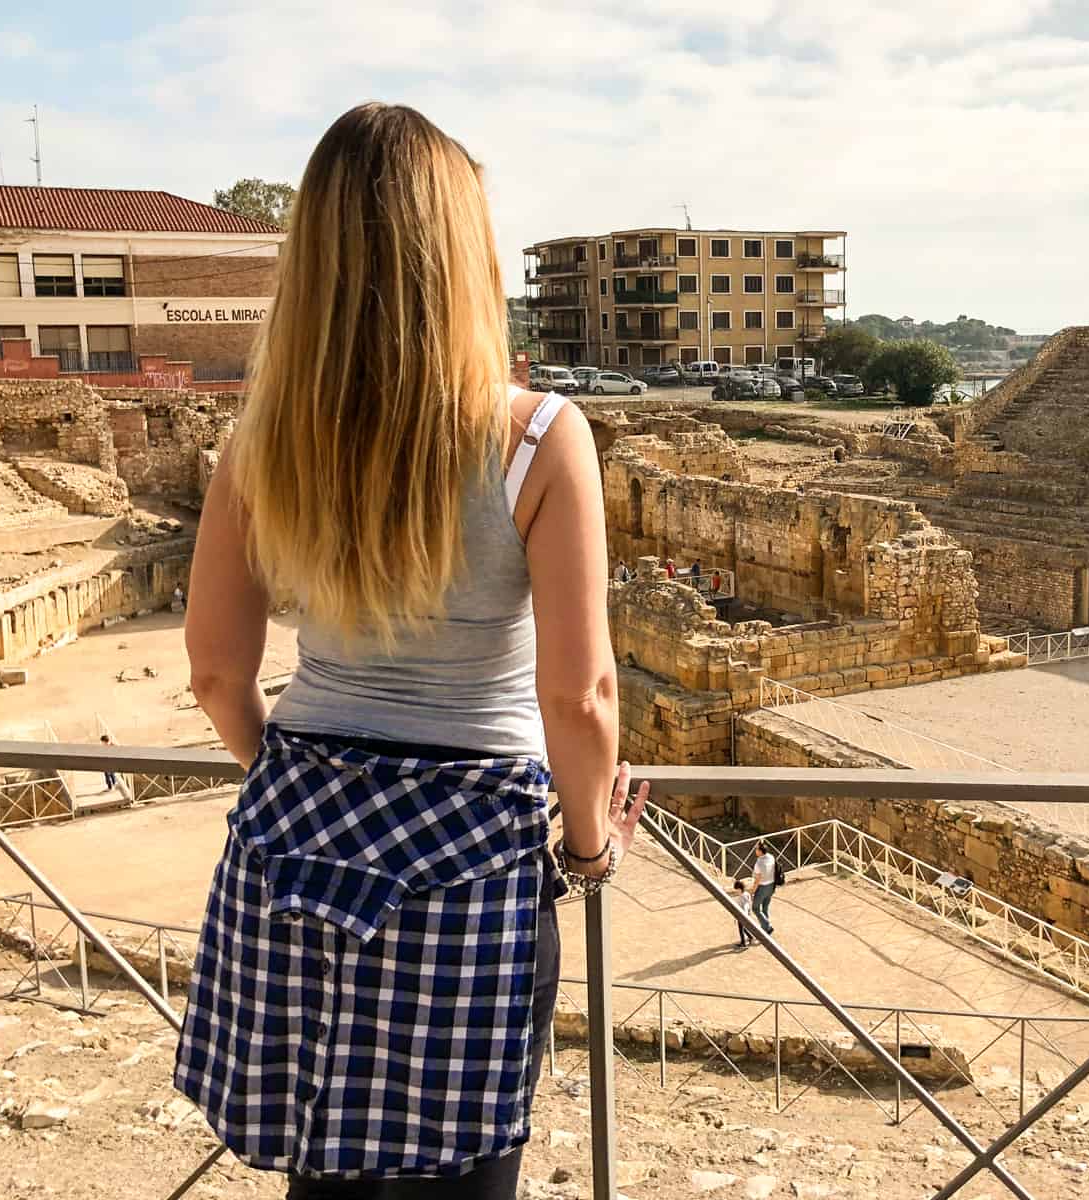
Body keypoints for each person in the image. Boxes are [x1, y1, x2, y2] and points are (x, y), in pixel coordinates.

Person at [174, 103, 649, 1199]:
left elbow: (213, 671)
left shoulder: (261, 442)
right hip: (474, 845)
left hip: (294, 829)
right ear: (462, 252)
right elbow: (579, 696)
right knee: (463, 1171)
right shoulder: (538, 435)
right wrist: (586, 854)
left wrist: (301, 787)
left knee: (324, 1162)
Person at [750, 841, 777, 934]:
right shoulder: (771, 857)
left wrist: (753, 891)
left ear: (760, 851)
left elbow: (757, 879)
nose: (755, 851)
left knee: (755, 908)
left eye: (756, 849)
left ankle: (767, 926)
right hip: (771, 886)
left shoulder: (758, 863)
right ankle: (765, 929)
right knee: (765, 907)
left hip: (762, 887)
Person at [731, 878, 755, 949]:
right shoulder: (746, 894)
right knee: (743, 928)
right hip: (745, 914)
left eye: (736, 889)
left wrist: (740, 916)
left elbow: (744, 906)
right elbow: (749, 903)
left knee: (741, 929)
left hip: (742, 915)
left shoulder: (742, 896)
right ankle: (750, 937)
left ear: (739, 889)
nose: (735, 891)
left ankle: (743, 943)